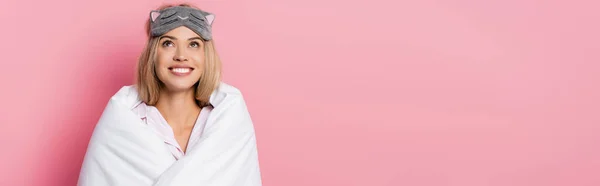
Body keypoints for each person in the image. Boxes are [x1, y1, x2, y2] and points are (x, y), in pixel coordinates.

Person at [77, 3, 262, 186]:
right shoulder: (120, 125)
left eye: (194, 44)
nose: (181, 55)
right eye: (168, 43)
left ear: (206, 56)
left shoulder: (229, 124)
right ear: (153, 54)